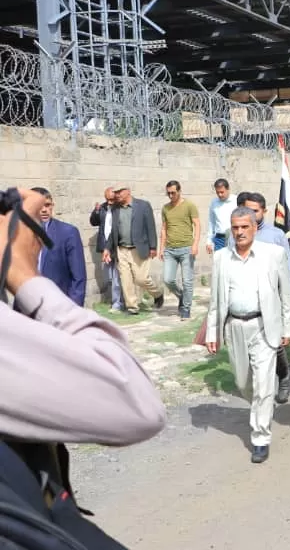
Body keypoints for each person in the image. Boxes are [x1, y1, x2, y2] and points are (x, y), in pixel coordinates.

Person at [0, 187, 166, 446]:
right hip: (38, 311)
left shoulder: (70, 230)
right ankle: (131, 305)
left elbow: (78, 277)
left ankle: (150, 298)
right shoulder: (106, 209)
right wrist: (24, 277)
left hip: (53, 315)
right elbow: (138, 407)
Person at [205, 207, 290, 464]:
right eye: (235, 227)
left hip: (263, 327)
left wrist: (287, 327)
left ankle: (260, 437)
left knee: (264, 385)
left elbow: (285, 294)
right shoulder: (222, 258)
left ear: (255, 227)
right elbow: (215, 300)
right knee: (244, 384)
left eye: (245, 227)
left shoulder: (273, 254)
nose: (240, 232)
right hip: (235, 327)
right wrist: (213, 332)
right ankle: (261, 404)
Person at [233, 192, 290, 403]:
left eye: (255, 211)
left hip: (272, 299)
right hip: (245, 301)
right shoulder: (235, 233)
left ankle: (284, 377)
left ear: (264, 212)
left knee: (275, 344)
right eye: (247, 209)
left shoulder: (276, 235)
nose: (251, 214)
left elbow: (286, 269)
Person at [103, 186, 164, 315]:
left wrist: (153, 247)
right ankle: (132, 307)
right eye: (116, 192)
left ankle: (157, 293)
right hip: (121, 249)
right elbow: (113, 231)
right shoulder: (115, 209)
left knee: (141, 279)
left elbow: (150, 227)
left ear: (128, 191)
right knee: (126, 280)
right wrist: (107, 248)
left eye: (120, 192)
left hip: (139, 249)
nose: (117, 195)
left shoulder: (143, 206)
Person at [31, 187, 86, 306]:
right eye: (39, 206)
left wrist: (74, 310)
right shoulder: (19, 233)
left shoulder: (68, 232)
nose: (44, 210)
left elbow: (78, 277)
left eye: (47, 205)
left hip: (58, 304)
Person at [158, 180, 200, 320]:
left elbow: (197, 225)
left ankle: (186, 308)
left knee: (187, 281)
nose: (170, 196)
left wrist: (195, 244)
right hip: (170, 249)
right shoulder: (165, 208)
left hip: (186, 248)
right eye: (168, 193)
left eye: (173, 193)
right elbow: (164, 228)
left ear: (179, 191)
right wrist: (161, 248)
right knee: (168, 279)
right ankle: (182, 296)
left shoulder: (189, 205)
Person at [90, 187, 124, 311]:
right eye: (107, 200)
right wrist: (96, 211)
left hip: (117, 246)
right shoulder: (103, 208)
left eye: (111, 199)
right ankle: (120, 299)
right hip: (105, 246)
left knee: (116, 276)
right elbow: (93, 222)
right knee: (109, 277)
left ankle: (117, 303)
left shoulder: (120, 209)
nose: (109, 202)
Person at [205, 178, 236, 253]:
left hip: (234, 237)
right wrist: (209, 241)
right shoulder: (214, 202)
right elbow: (211, 222)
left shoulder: (236, 200)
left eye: (222, 192)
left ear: (228, 189)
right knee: (219, 262)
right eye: (217, 192)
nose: (220, 194)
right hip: (219, 239)